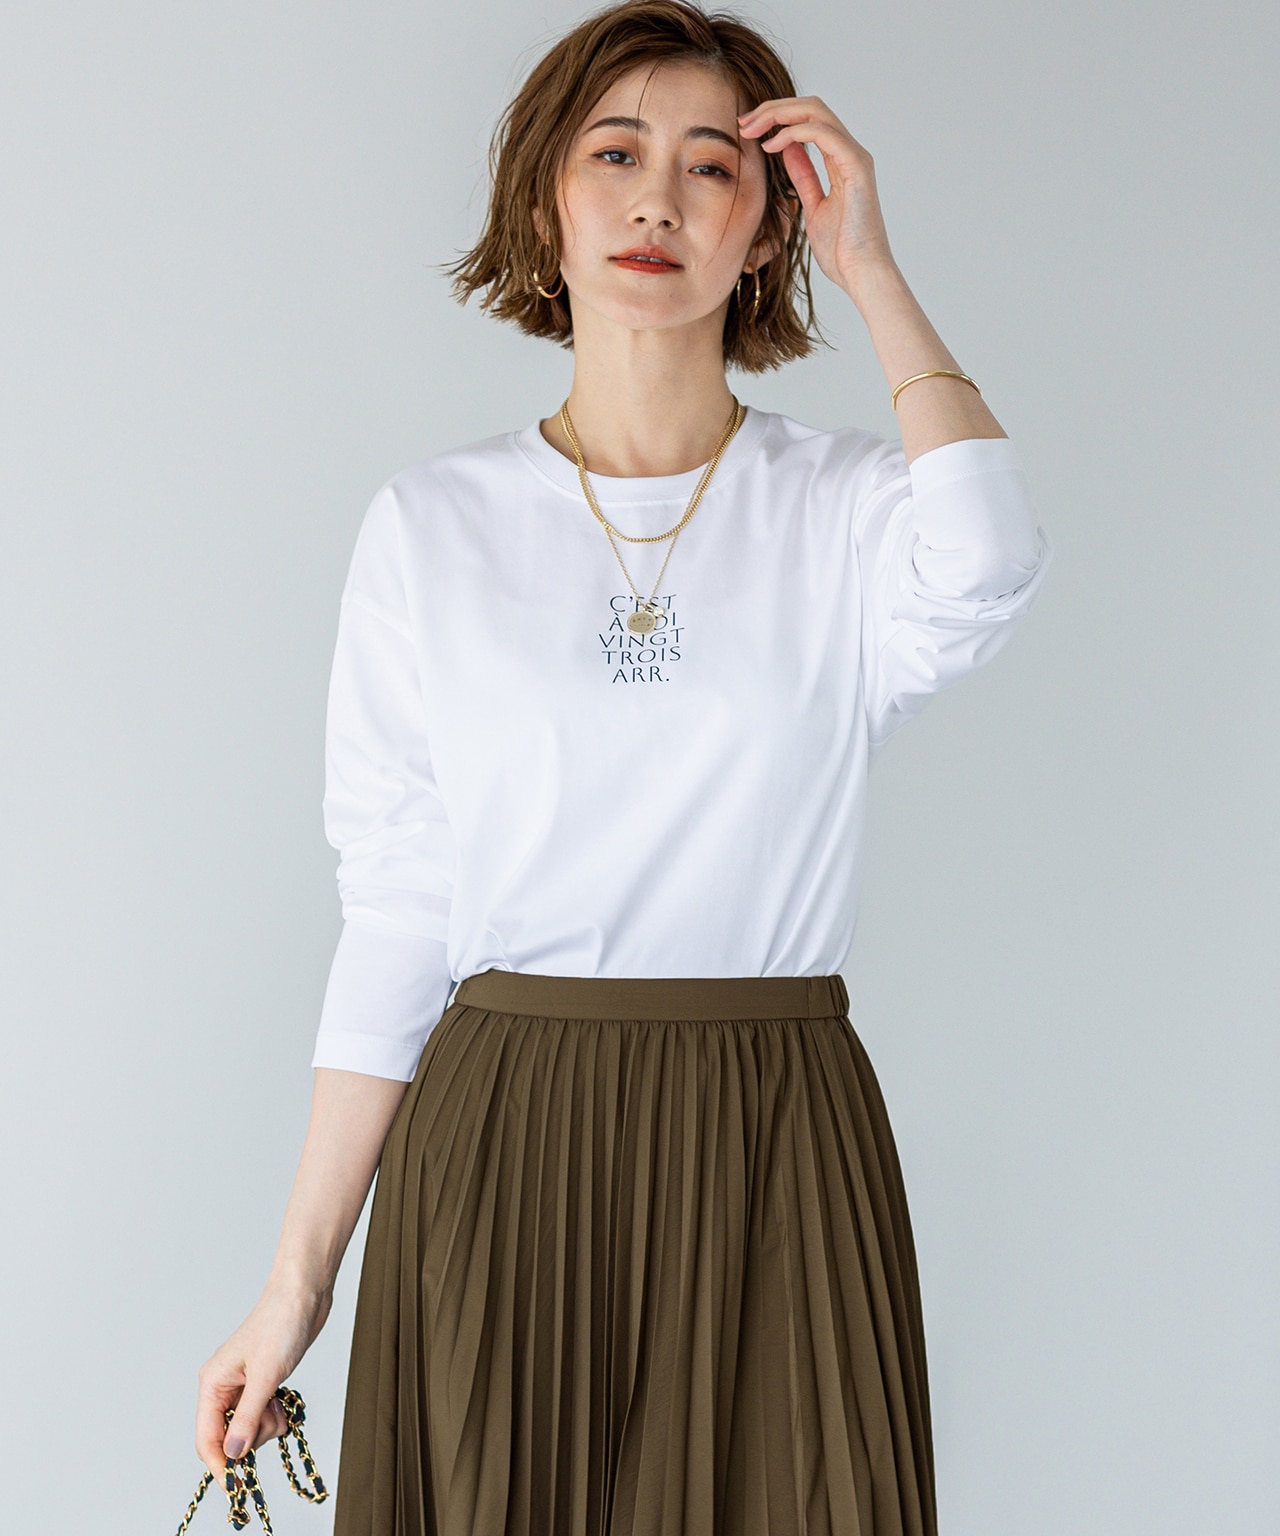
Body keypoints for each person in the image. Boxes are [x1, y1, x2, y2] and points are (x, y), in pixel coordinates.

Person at [195, 2, 1053, 1531]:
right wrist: (295, 1284)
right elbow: (398, 905)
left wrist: (872, 267)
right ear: (547, 203)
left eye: (712, 167)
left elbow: (988, 559)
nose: (658, 198)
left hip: (777, 1129)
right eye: (615, 154)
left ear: (766, 230)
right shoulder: (432, 527)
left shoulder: (850, 510)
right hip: (507, 1129)